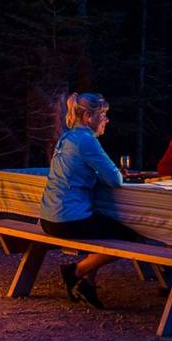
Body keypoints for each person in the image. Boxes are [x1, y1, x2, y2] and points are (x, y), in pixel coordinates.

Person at [39, 92, 140, 310]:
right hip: (68, 220)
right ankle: (74, 271)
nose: (107, 119)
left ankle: (88, 285)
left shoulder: (68, 137)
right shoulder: (86, 140)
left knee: (101, 227)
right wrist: (114, 173)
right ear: (87, 117)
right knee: (131, 239)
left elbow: (77, 172)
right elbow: (115, 179)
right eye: (102, 114)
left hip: (48, 217)